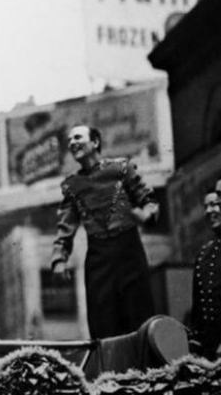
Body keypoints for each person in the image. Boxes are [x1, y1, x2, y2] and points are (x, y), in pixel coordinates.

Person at [51, 124, 160, 339]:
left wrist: (147, 215)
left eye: (78, 137)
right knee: (103, 322)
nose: (72, 143)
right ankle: (109, 372)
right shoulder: (71, 185)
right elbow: (65, 226)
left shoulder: (121, 169)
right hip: (98, 257)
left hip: (129, 251)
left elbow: (149, 200)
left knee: (139, 315)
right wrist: (59, 259)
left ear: (95, 142)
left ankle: (146, 371)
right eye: (70, 140)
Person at [188, 186, 221, 359]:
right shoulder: (204, 254)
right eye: (206, 206)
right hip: (209, 350)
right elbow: (198, 312)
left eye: (214, 204)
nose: (209, 211)